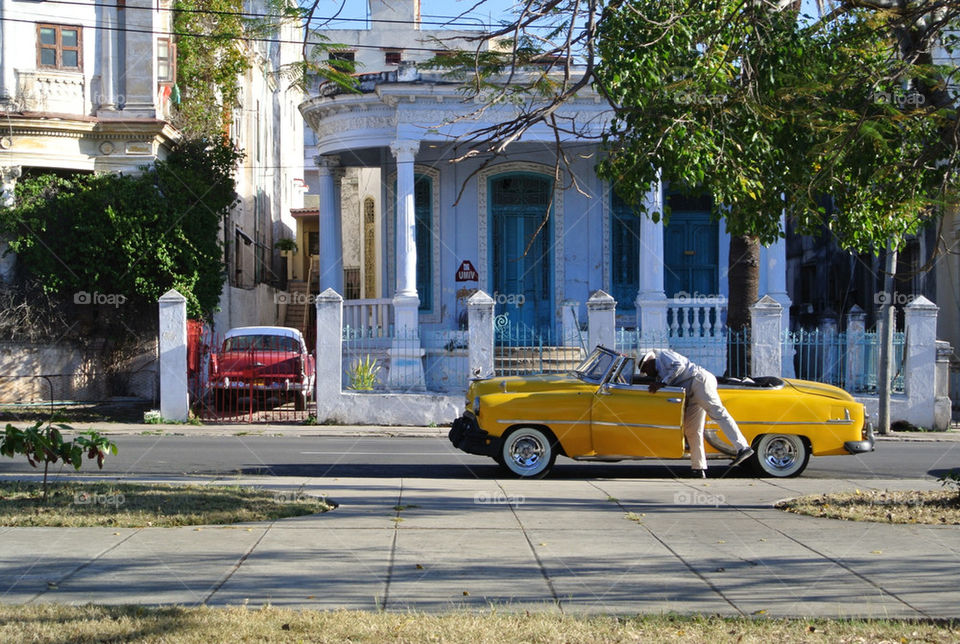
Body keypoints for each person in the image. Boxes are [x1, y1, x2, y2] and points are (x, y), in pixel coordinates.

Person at [638, 348, 754, 478]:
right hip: (692, 392)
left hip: (699, 381)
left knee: (718, 413)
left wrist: (662, 383)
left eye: (645, 369)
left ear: (649, 363)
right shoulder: (660, 375)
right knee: (692, 430)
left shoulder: (663, 355)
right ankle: (698, 468)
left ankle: (743, 447)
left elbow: (679, 366)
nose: (646, 373)